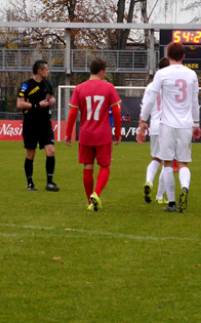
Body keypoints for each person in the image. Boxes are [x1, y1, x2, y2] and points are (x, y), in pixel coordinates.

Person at [138, 42, 200, 212]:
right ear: (184, 56)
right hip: (186, 124)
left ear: (167, 55)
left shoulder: (162, 73)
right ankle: (185, 187)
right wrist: (196, 123)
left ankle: (172, 202)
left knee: (166, 163)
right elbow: (195, 102)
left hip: (166, 124)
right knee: (183, 163)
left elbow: (151, 98)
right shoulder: (192, 74)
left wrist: (143, 120)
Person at [65, 58, 122, 211]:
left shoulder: (79, 88)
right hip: (102, 134)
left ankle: (90, 202)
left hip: (86, 134)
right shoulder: (109, 87)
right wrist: (117, 132)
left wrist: (68, 133)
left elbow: (73, 113)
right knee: (104, 166)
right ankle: (96, 194)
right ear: (102, 71)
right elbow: (116, 111)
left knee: (87, 166)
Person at [17, 60, 59, 191]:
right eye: (46, 69)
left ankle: (50, 182)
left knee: (51, 150)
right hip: (30, 123)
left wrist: (52, 100)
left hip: (45, 123)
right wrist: (36, 105)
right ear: (40, 71)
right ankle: (30, 183)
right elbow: (19, 104)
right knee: (31, 154)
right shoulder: (26, 85)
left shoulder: (47, 84)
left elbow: (51, 97)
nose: (48, 71)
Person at [139, 57, 170, 204]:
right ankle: (159, 196)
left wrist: (142, 123)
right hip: (169, 125)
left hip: (155, 126)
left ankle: (149, 182)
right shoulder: (171, 85)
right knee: (167, 162)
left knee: (155, 159)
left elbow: (146, 106)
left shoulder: (150, 86)